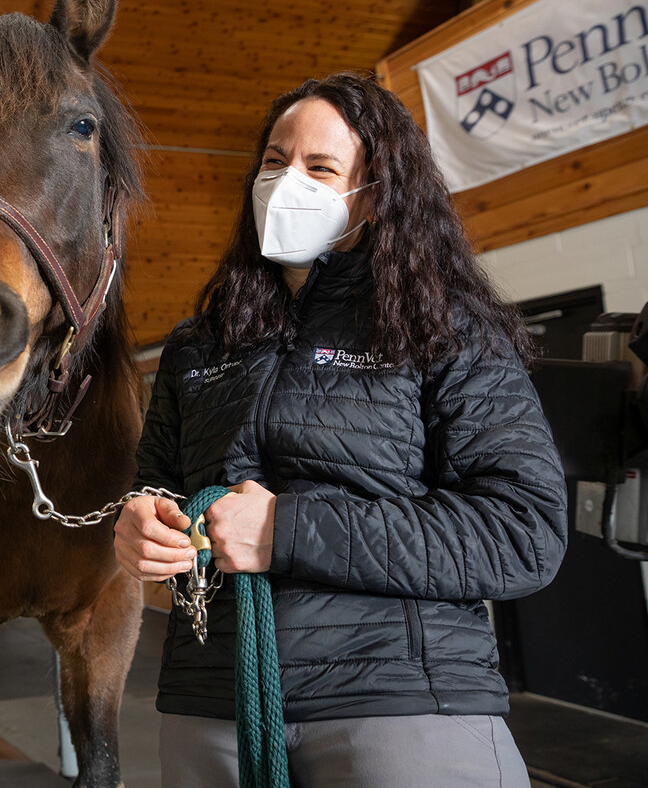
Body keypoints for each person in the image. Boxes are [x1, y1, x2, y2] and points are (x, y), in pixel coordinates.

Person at [113, 71, 567, 788]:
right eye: (273, 161)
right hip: (213, 707)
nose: (286, 180)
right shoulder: (199, 346)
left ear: (378, 193)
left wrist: (284, 532)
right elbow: (156, 484)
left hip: (398, 707)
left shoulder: (444, 329)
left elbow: (522, 532)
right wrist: (144, 522)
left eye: (320, 167)